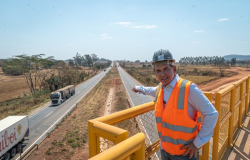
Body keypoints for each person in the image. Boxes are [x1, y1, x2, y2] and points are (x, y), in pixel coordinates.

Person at [132, 49, 218, 160]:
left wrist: (197, 143)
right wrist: (139, 88)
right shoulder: (160, 89)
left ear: (174, 68)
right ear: (155, 73)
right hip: (165, 150)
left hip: (185, 154)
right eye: (158, 71)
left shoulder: (188, 89)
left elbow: (212, 114)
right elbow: (151, 90)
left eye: (166, 69)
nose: (162, 74)